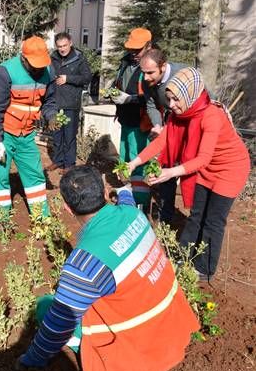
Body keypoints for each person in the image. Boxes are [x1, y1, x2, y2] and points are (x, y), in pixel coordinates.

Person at [17, 165, 199, 371]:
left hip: (137, 344)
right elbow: (127, 202)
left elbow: (58, 325)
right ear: (104, 193)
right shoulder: (135, 215)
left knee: (46, 307)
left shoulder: (84, 264)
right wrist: (123, 191)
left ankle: (81, 349)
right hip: (172, 322)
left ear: (67, 208)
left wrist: (32, 358)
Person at [127, 68, 250, 282]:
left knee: (213, 221)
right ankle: (183, 258)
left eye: (176, 100)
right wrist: (134, 162)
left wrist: (170, 173)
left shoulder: (211, 115)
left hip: (230, 168)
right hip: (206, 167)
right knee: (196, 215)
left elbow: (202, 158)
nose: (172, 105)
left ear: (190, 96)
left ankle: (204, 269)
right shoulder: (180, 115)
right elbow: (161, 141)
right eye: (169, 99)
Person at [0, 36, 58, 221]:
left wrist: (51, 115)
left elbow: (49, 101)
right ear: (23, 58)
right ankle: (2, 222)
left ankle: (41, 219)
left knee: (35, 177)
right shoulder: (5, 72)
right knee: (0, 178)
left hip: (26, 135)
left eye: (41, 64)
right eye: (34, 65)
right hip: (4, 134)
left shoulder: (48, 71)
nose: (39, 69)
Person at [139, 49, 189, 224]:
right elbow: (151, 104)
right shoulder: (147, 80)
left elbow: (206, 101)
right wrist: (158, 125)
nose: (145, 78)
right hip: (171, 126)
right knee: (165, 170)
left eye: (150, 73)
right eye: (143, 72)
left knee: (192, 176)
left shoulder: (183, 75)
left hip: (191, 128)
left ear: (163, 67)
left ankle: (196, 224)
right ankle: (165, 220)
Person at [107, 28, 154, 209]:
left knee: (138, 159)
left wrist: (131, 98)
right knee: (126, 157)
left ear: (148, 46)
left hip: (140, 121)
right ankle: (129, 192)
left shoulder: (150, 67)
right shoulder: (126, 62)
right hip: (126, 119)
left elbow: (153, 97)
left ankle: (139, 203)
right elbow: (119, 82)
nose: (134, 53)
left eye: (138, 50)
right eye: (131, 49)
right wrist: (112, 92)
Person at [47, 32, 92, 173]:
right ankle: (58, 161)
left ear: (70, 43)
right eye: (59, 46)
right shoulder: (52, 58)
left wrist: (68, 78)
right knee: (57, 135)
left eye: (65, 45)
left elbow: (87, 78)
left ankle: (69, 164)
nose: (62, 49)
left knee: (69, 136)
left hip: (71, 103)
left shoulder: (79, 58)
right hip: (55, 102)